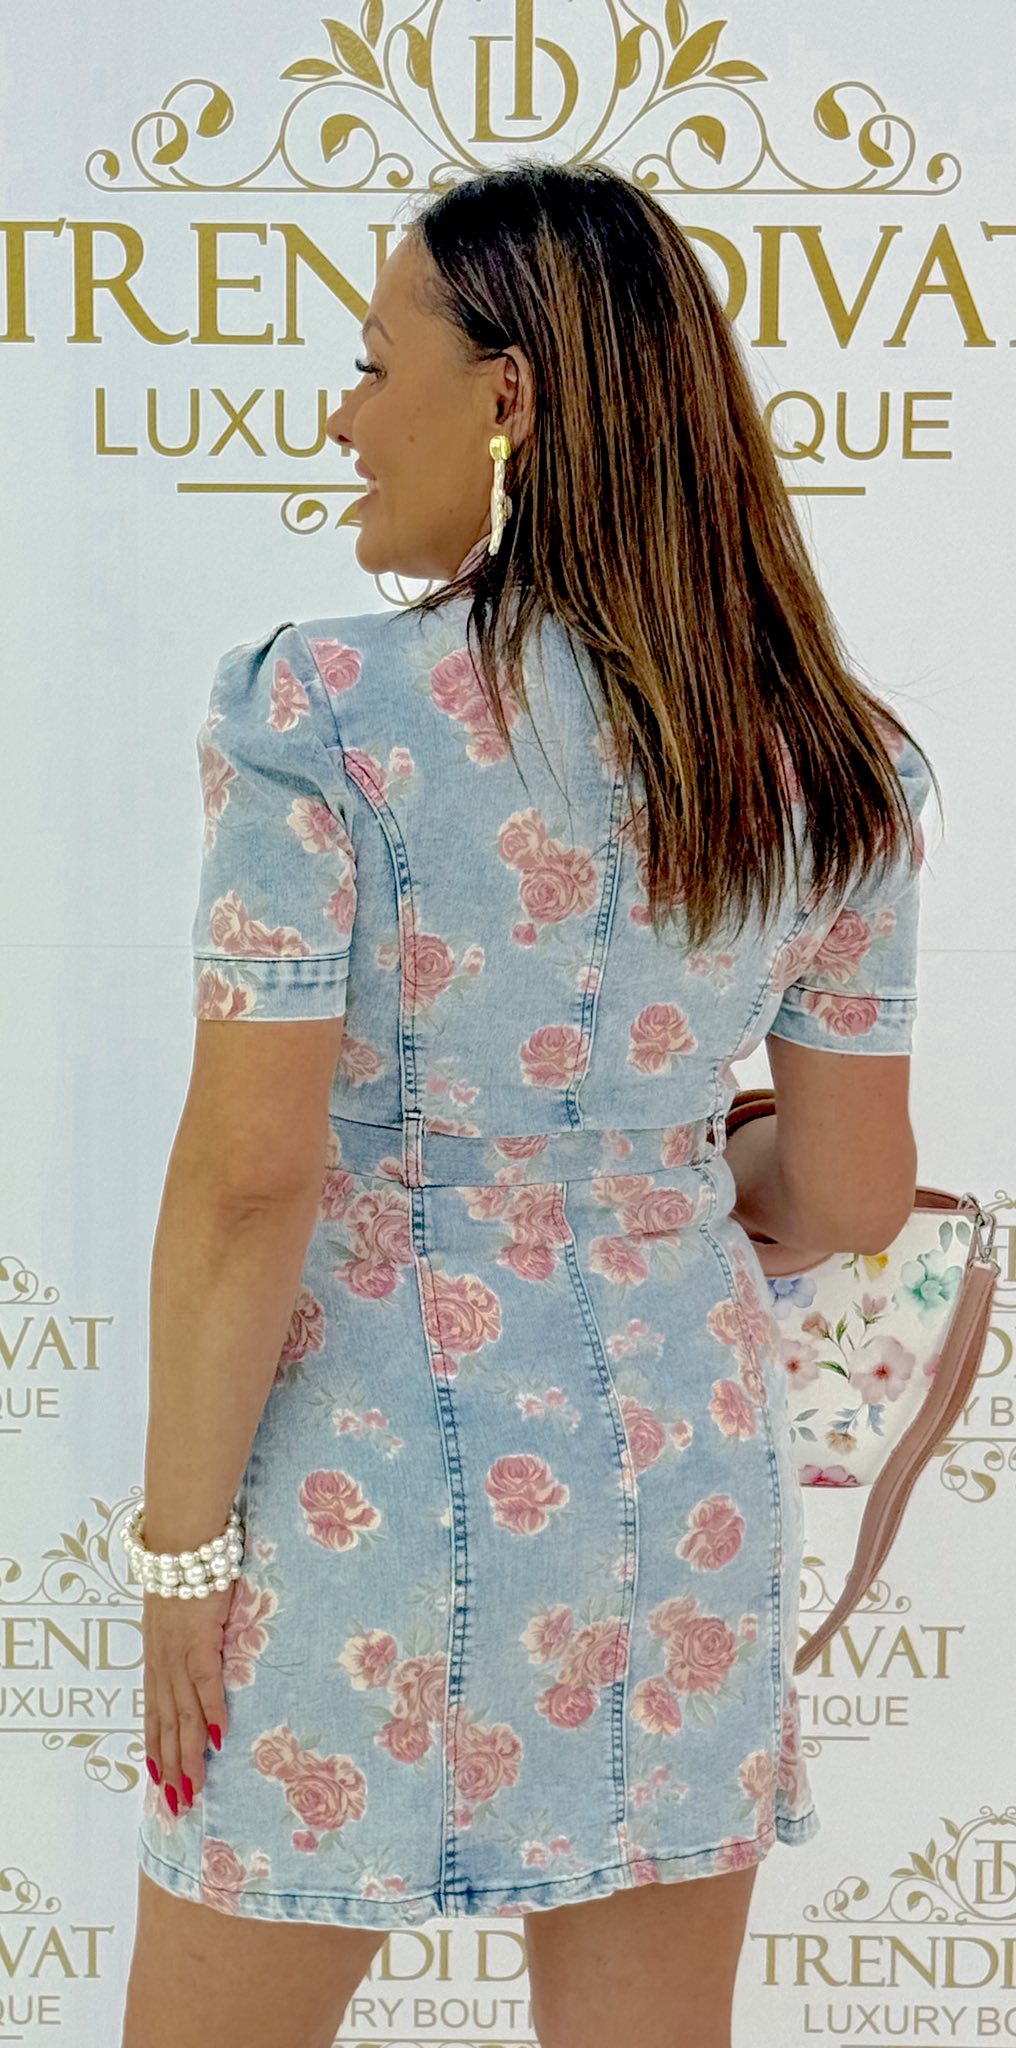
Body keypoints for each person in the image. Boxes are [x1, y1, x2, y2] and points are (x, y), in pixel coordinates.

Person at [121, 159, 939, 2048]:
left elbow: (249, 1185)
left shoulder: (325, 713)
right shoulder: (839, 763)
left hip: (358, 1494)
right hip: (678, 1498)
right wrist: (662, 1158)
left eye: (368, 362)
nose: (341, 416)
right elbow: (849, 1193)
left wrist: (177, 1557)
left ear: (508, 401)